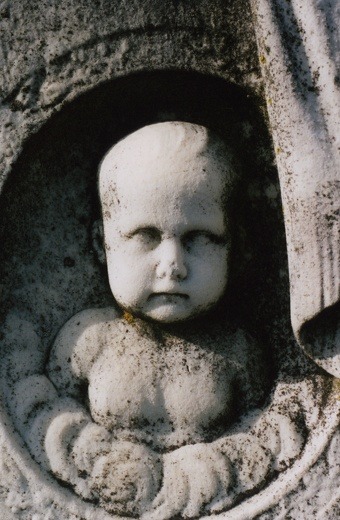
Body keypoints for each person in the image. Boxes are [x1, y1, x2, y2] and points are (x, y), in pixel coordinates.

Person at [10, 122, 304, 519]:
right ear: (102, 243)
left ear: (236, 246)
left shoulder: (238, 351)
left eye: (199, 238)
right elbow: (54, 415)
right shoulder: (88, 340)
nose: (173, 265)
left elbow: (258, 433)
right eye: (146, 235)